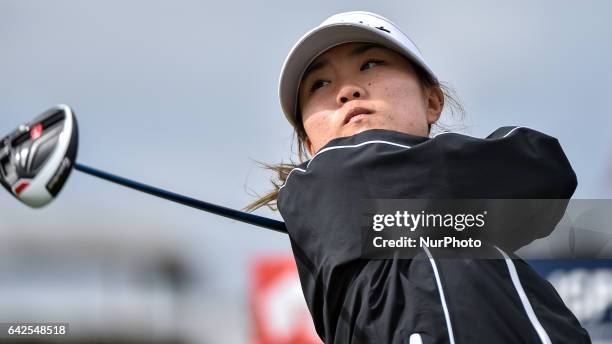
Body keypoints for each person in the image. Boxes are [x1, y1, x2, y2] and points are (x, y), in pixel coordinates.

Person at [246, 11, 591, 344]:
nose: (346, 91)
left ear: (432, 100)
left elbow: (545, 174)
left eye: (370, 64)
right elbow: (535, 168)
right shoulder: (322, 181)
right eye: (319, 84)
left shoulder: (463, 228)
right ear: (310, 145)